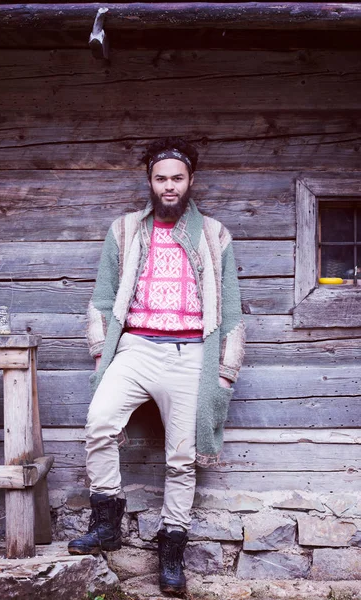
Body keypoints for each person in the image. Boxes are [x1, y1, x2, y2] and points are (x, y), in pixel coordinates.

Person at [68, 137, 245, 594]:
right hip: (135, 348)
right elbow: (103, 299)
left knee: (181, 460)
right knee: (99, 423)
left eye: (177, 179)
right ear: (149, 181)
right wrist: (100, 353)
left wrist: (223, 374)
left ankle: (170, 555)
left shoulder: (214, 234)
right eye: (160, 178)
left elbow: (230, 311)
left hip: (192, 355)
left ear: (191, 182)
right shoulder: (126, 230)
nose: (169, 187)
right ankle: (106, 522)